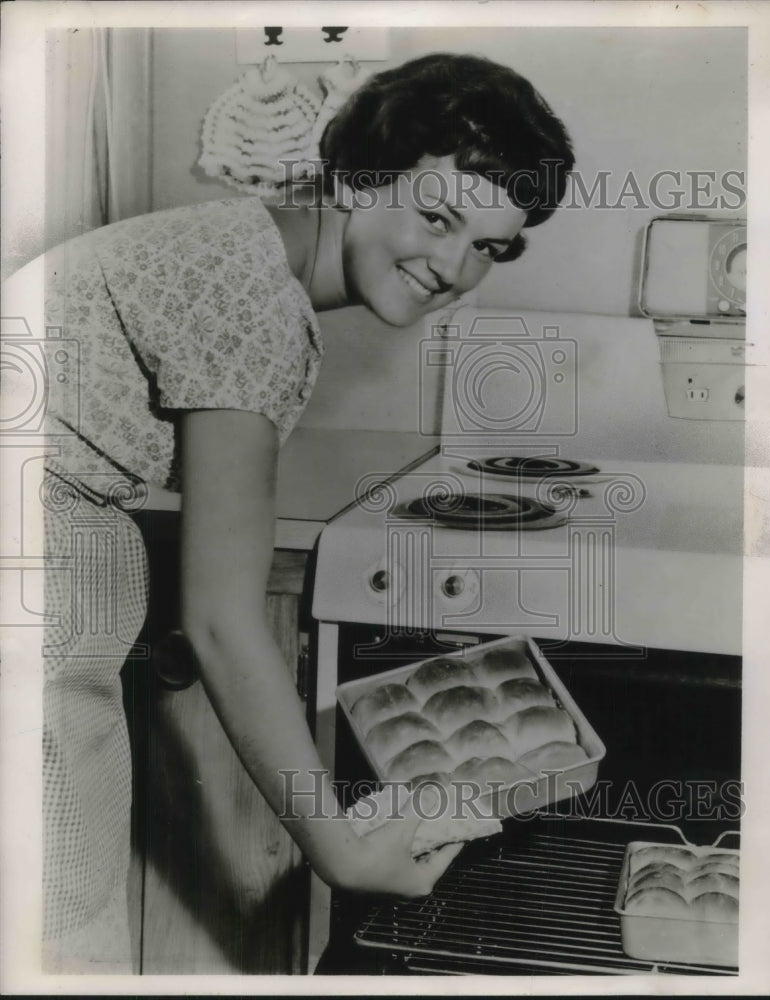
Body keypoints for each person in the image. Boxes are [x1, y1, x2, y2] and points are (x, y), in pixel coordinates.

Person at [20, 51, 574, 971]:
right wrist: (344, 850)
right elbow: (225, 619)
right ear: (358, 180)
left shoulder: (239, 248)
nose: (454, 265)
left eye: (489, 245)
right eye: (438, 217)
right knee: (59, 944)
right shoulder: (257, 304)